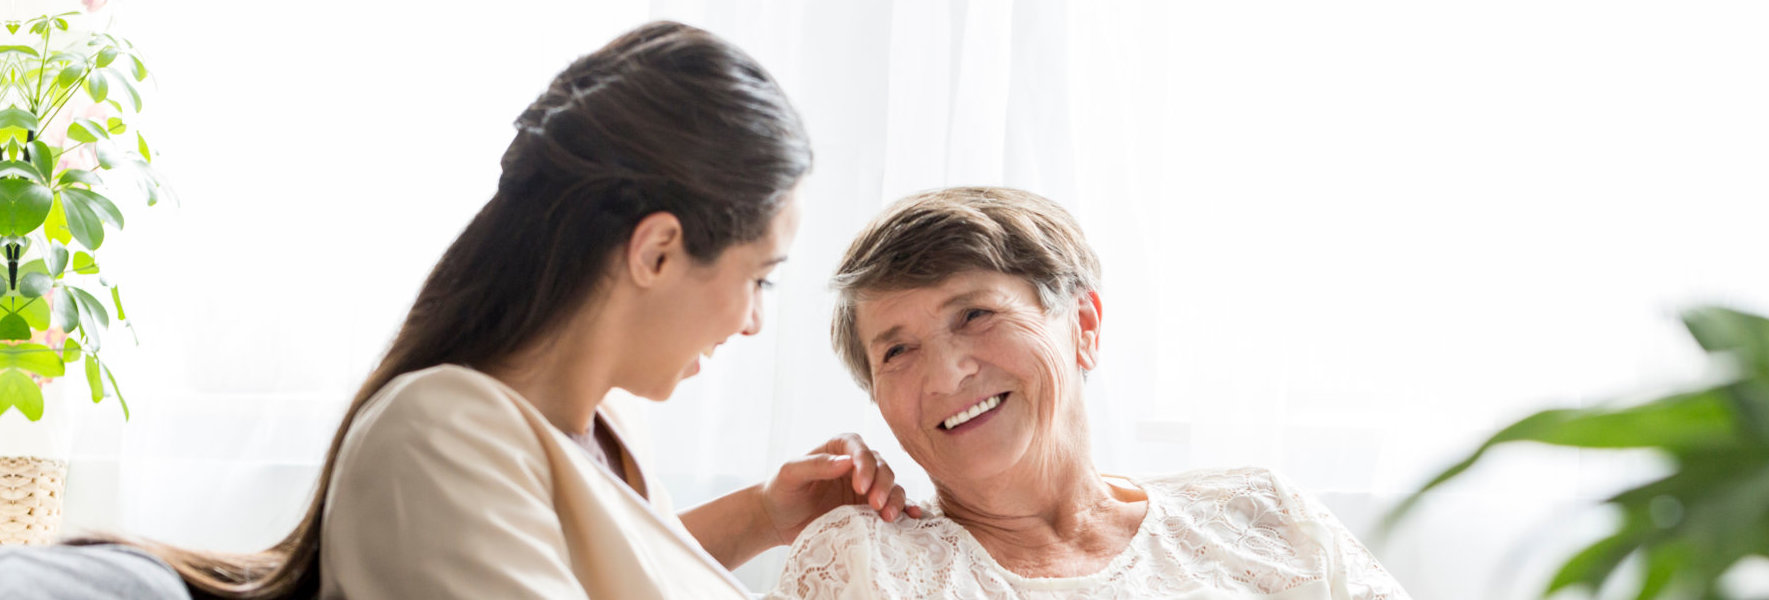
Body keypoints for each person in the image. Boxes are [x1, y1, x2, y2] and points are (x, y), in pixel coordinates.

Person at [87, 21, 920, 599]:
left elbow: (601, 574)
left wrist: (762, 517)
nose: (751, 323)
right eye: (761, 278)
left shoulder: (593, 431)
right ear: (657, 250)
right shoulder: (442, 432)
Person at [770, 187, 1411, 599]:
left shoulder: (1260, 515)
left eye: (974, 315)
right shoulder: (859, 563)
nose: (944, 376)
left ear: (1083, 325)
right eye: (897, 350)